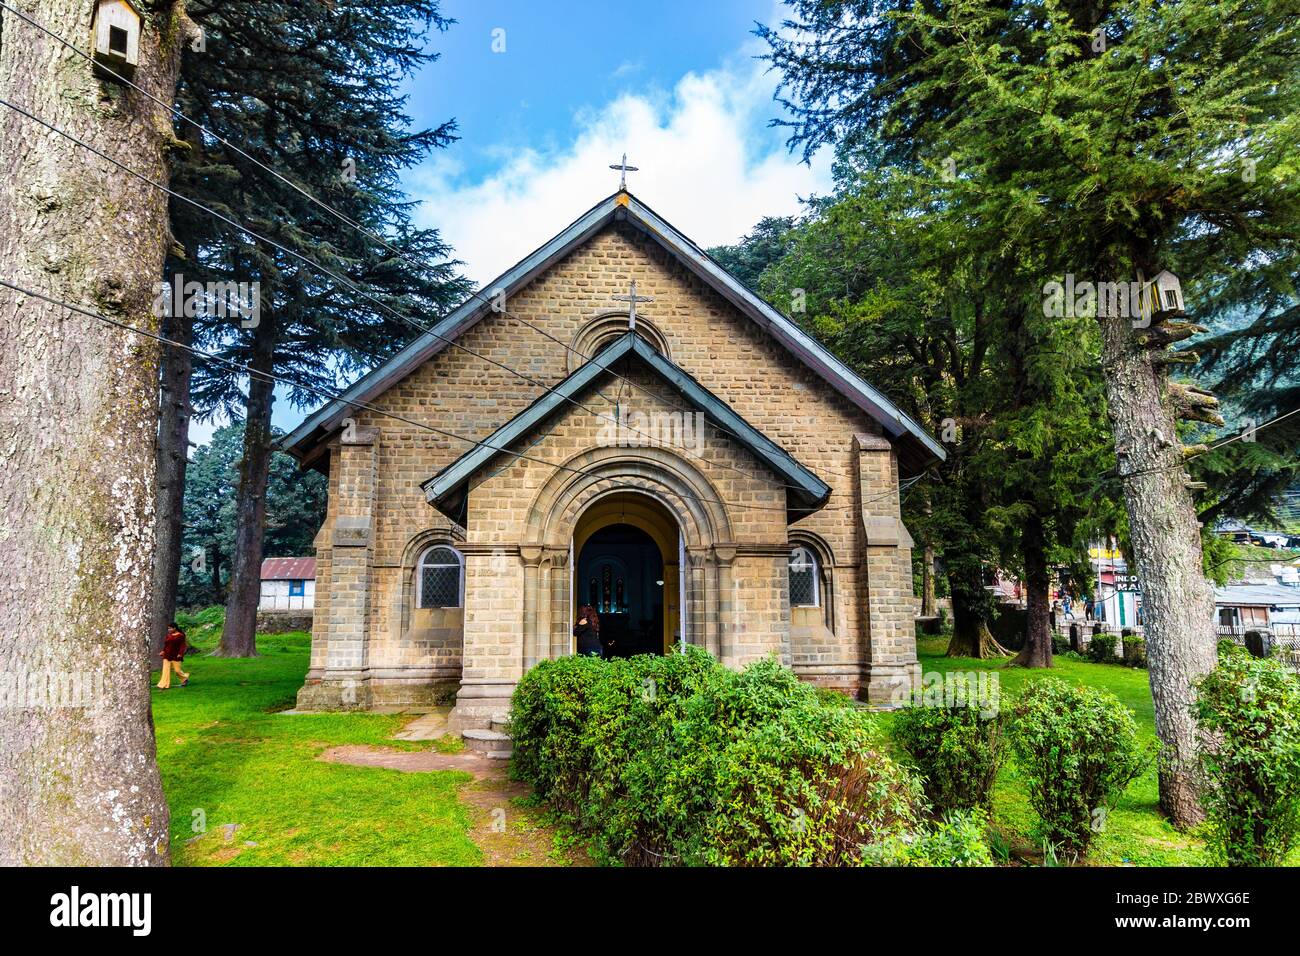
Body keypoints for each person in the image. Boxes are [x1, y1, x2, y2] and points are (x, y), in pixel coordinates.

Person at [157, 621, 190, 690]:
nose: (169, 630)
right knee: (165, 670)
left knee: (177, 670)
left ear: (175, 628)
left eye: (170, 628)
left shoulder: (181, 635)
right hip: (167, 655)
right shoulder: (169, 635)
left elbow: (182, 645)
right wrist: (163, 651)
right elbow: (166, 645)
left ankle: (184, 678)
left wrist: (180, 654)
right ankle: (164, 685)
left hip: (176, 656)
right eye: (168, 629)